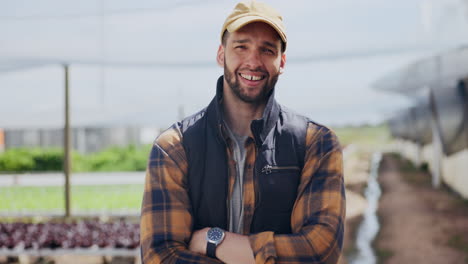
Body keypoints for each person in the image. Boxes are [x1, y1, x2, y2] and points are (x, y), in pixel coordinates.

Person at [140, 1, 345, 263]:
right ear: (221, 54)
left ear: (280, 62)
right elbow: (161, 255)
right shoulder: (174, 147)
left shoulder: (314, 143)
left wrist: (216, 241)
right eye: (241, 47)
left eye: (267, 50)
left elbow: (320, 250)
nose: (253, 61)